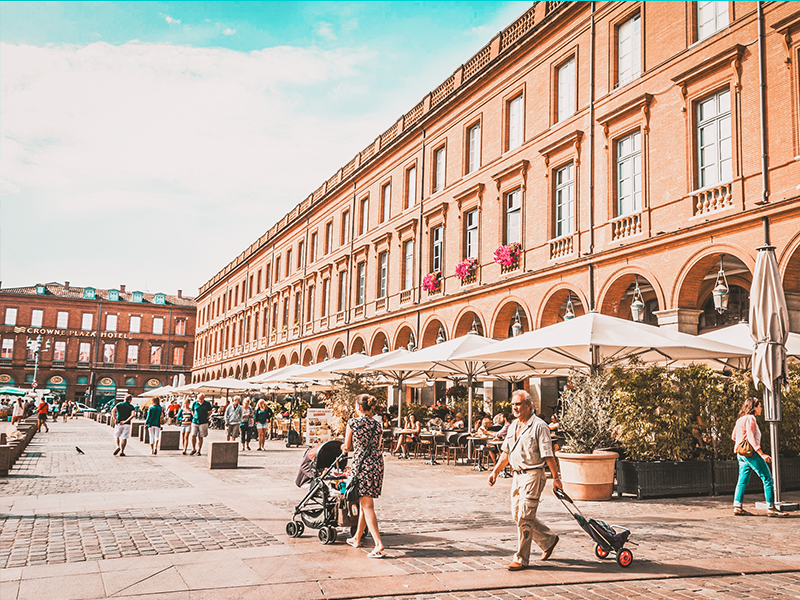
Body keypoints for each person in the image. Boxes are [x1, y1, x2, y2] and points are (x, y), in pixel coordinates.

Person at [488, 389, 561, 571]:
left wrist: (556, 479)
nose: (515, 407)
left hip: (533, 474)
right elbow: (506, 452)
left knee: (525, 517)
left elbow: (548, 454)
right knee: (517, 515)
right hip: (517, 476)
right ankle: (548, 539)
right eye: (513, 404)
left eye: (518, 404)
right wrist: (495, 471)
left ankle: (521, 558)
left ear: (529, 405)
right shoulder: (512, 426)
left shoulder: (539, 426)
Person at [343, 394, 386, 558]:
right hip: (377, 464)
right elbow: (378, 444)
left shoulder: (353, 423)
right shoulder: (378, 425)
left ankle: (378, 544)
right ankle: (357, 538)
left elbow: (347, 447)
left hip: (362, 466)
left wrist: (342, 447)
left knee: (367, 505)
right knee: (364, 501)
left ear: (359, 407)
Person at [732, 397, 788, 517]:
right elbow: (751, 437)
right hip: (751, 454)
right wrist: (761, 454)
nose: (761, 408)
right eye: (759, 406)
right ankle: (771, 508)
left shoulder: (740, 419)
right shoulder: (751, 418)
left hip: (740, 454)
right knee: (767, 478)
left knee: (742, 480)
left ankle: (737, 506)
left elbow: (733, 436)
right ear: (754, 407)